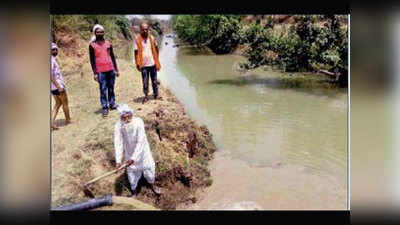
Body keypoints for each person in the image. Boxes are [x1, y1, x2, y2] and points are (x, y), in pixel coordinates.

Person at [114, 103, 162, 197]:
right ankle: (134, 191)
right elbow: (118, 143)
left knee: (150, 170)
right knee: (132, 175)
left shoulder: (138, 122)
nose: (127, 120)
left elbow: (141, 142)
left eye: (129, 117)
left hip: (143, 154)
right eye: (124, 118)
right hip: (130, 154)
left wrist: (134, 158)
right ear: (121, 118)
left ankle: (152, 185)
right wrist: (118, 161)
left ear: (132, 114)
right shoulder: (118, 126)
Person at [89, 24, 120, 117]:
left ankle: (112, 104)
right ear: (95, 33)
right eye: (98, 32)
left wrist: (116, 69)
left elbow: (113, 56)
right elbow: (92, 60)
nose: (100, 33)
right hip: (100, 71)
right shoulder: (92, 45)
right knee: (103, 89)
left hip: (110, 69)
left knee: (111, 87)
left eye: (101, 32)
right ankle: (104, 107)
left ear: (104, 33)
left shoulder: (108, 43)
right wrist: (95, 73)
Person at [134, 22, 162, 104]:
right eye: (143, 29)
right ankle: (146, 96)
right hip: (143, 65)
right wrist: (137, 63)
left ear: (148, 30)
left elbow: (156, 49)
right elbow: (135, 52)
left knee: (154, 80)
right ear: (140, 30)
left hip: (152, 63)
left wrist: (157, 59)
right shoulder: (137, 39)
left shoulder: (152, 38)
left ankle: (156, 94)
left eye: (146, 29)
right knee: (145, 81)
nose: (145, 31)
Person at [51, 43, 72, 130]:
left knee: (58, 103)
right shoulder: (51, 60)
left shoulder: (52, 59)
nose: (55, 51)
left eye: (56, 49)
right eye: (52, 50)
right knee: (65, 103)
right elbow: (51, 75)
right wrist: (59, 86)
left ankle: (52, 122)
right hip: (57, 86)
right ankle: (68, 120)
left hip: (52, 87)